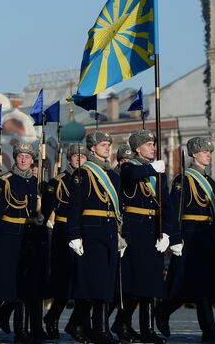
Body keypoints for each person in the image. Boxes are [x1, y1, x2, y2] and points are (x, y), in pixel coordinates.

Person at [156, 137, 215, 343]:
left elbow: (214, 213)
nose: (208, 155)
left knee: (205, 283)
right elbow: (175, 210)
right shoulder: (184, 179)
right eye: (205, 151)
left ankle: (209, 330)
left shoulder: (210, 182)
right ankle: (163, 310)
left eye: (210, 152)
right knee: (184, 282)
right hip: (190, 236)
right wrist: (176, 238)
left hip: (206, 236)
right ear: (194, 154)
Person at [0, 142, 42, 344]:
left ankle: (21, 330)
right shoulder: (3, 183)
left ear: (33, 161)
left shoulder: (35, 182)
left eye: (27, 157)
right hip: (6, 239)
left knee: (24, 286)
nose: (23, 160)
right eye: (20, 156)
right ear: (15, 158)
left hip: (28, 239)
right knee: (0, 287)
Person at [112, 130, 172, 344]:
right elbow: (129, 176)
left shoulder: (159, 173)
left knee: (151, 285)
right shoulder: (130, 167)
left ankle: (145, 329)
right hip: (135, 231)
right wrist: (151, 169)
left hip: (153, 231)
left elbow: (166, 205)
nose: (153, 147)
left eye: (153, 143)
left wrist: (168, 233)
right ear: (138, 148)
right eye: (149, 144)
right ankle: (124, 322)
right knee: (136, 285)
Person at [66, 132, 123, 344]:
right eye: (103, 145)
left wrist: (120, 234)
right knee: (95, 282)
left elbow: (119, 209)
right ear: (92, 148)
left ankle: (77, 324)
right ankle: (100, 329)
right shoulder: (83, 174)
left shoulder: (113, 176)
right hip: (91, 231)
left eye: (109, 144)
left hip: (109, 231)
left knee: (106, 283)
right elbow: (74, 207)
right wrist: (74, 234)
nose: (107, 148)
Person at [42, 144, 88, 341]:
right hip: (63, 232)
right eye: (75, 157)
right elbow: (47, 207)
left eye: (83, 157)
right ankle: (52, 317)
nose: (79, 159)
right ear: (69, 159)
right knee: (64, 281)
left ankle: (79, 323)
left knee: (84, 281)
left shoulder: (90, 179)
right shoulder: (59, 181)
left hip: (85, 232)